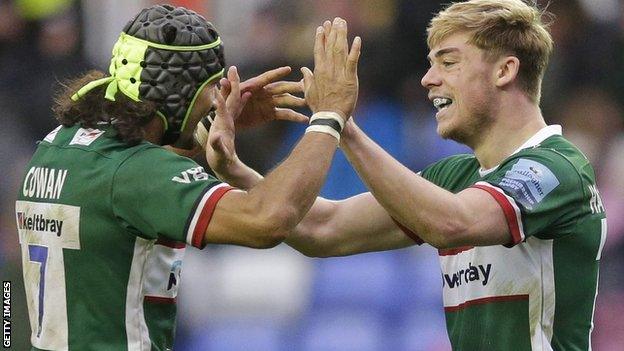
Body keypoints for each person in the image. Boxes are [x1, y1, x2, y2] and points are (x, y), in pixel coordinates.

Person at [206, 1, 607, 350]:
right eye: (430, 64)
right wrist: (235, 170)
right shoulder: (455, 176)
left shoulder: (557, 167)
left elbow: (453, 223)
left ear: (505, 70)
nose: (428, 79)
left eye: (448, 62)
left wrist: (339, 120)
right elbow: (321, 229)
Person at [15, 4, 361, 350]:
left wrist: (207, 128)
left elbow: (131, 186)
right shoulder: (133, 172)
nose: (217, 99)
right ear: (178, 95)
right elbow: (266, 220)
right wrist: (328, 117)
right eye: (211, 89)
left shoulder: (58, 144)